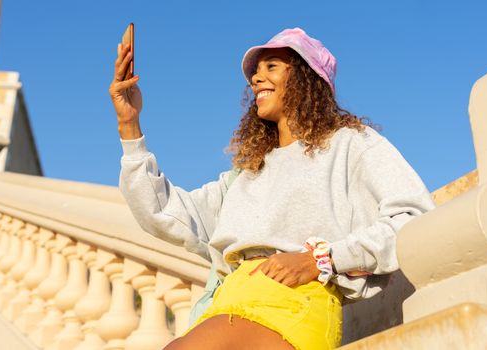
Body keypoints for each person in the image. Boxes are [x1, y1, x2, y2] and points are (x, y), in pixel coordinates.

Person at [109, 28, 435, 350]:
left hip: (295, 302)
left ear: (306, 77)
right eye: (255, 72)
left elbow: (414, 216)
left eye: (272, 66)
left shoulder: (351, 143)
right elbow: (163, 211)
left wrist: (321, 260)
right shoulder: (246, 174)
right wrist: (130, 125)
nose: (256, 78)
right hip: (228, 305)